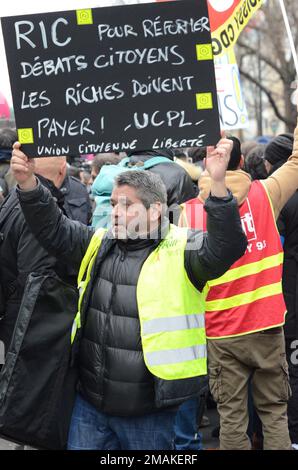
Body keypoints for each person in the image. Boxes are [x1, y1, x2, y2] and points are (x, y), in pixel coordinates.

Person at [10, 137, 247, 450]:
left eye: (127, 205)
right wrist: (28, 184)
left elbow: (227, 246)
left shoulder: (183, 246)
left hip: (148, 411)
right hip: (90, 405)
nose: (116, 213)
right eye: (113, 204)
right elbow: (53, 228)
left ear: (154, 211)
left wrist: (217, 182)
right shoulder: (99, 242)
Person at [179, 123, 298, 450]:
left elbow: (189, 276)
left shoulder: (189, 214)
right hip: (268, 325)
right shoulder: (265, 194)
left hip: (221, 330)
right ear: (242, 160)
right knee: (274, 413)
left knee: (231, 418)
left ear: (207, 163)